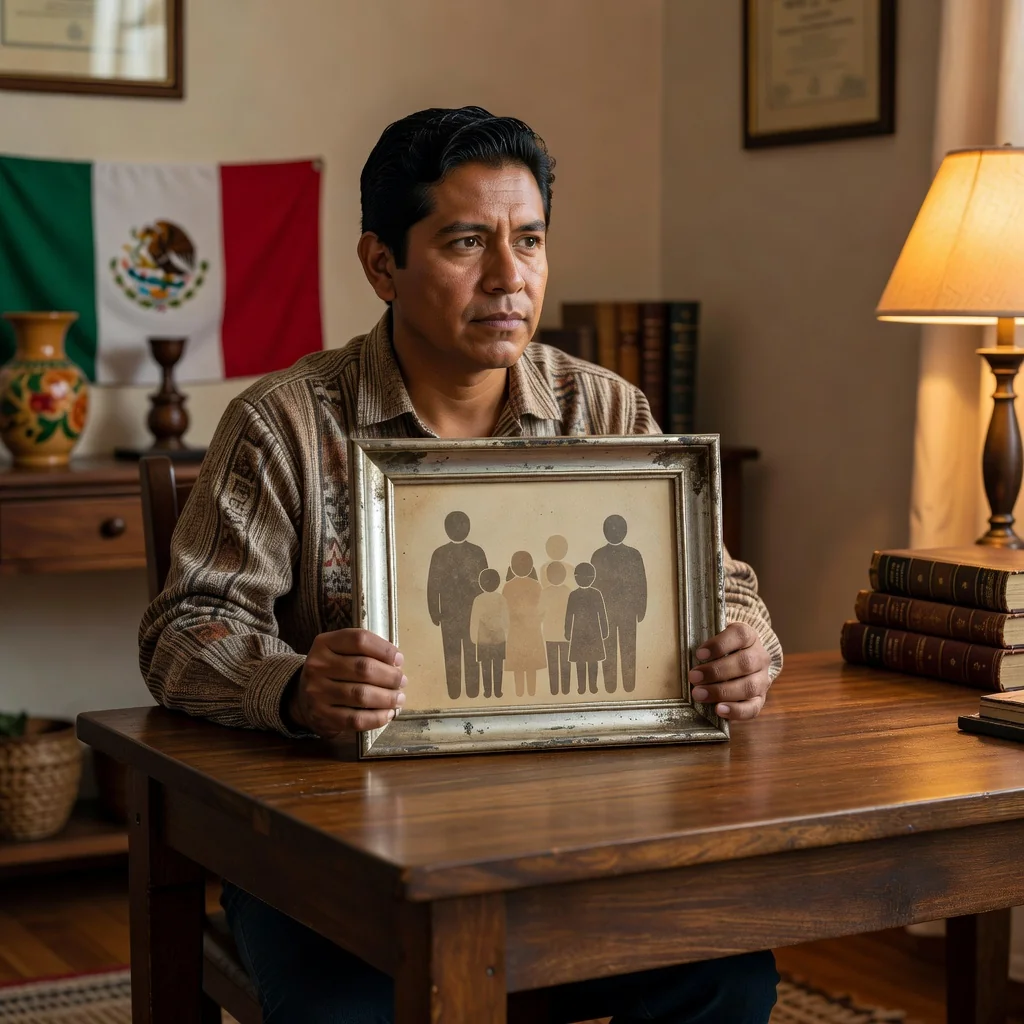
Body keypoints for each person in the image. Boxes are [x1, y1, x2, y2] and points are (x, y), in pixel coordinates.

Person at [140, 106, 782, 1023]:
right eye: (467, 243)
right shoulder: (283, 424)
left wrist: (745, 647)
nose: (509, 277)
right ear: (381, 265)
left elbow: (725, 589)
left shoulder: (605, 411)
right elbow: (183, 629)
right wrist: (293, 686)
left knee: (729, 979)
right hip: (336, 858)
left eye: (530, 240)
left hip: (569, 839)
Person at [426, 510, 488, 698]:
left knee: (466, 653)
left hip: (466, 614)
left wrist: (435, 612)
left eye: (462, 524)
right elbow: (433, 585)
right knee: (458, 654)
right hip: (453, 614)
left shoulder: (475, 552)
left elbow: (484, 584)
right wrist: (434, 612)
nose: (459, 528)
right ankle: (459, 692)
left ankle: (466, 692)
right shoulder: (443, 553)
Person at [591, 514, 647, 693]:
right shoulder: (597, 555)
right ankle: (610, 687)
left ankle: (629, 686)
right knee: (608, 649)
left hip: (628, 612)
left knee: (628, 647)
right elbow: (594, 586)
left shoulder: (634, 555)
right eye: (610, 529)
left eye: (618, 528)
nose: (614, 532)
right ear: (604, 531)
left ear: (625, 531)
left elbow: (641, 583)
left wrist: (641, 609)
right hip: (606, 612)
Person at [502, 549, 547, 697]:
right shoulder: (536, 585)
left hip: (515, 629)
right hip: (532, 629)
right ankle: (532, 693)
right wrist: (536, 621)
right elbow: (542, 609)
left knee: (518, 665)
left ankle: (519, 693)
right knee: (531, 664)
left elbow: (504, 609)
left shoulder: (508, 586)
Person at [565, 561, 609, 694]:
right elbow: (569, 615)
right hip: (578, 633)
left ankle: (593, 686)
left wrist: (604, 630)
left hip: (593, 633)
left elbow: (602, 614)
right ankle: (581, 687)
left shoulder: (596, 594)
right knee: (580, 661)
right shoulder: (573, 595)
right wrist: (568, 631)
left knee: (593, 661)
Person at [469, 567, 508, 698]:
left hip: (483, 638)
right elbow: (506, 619)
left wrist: (473, 637)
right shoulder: (501, 598)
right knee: (498, 665)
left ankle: (487, 692)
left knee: (485, 665)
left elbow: (474, 619)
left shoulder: (478, 599)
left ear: (481, 583)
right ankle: (498, 691)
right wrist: (506, 632)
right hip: (499, 637)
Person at [539, 561, 572, 695]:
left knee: (553, 663)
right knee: (565, 663)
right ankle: (566, 689)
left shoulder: (545, 593)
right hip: (566, 634)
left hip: (550, 633)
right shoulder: (568, 591)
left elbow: (540, 613)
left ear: (548, 576)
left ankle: (554, 690)